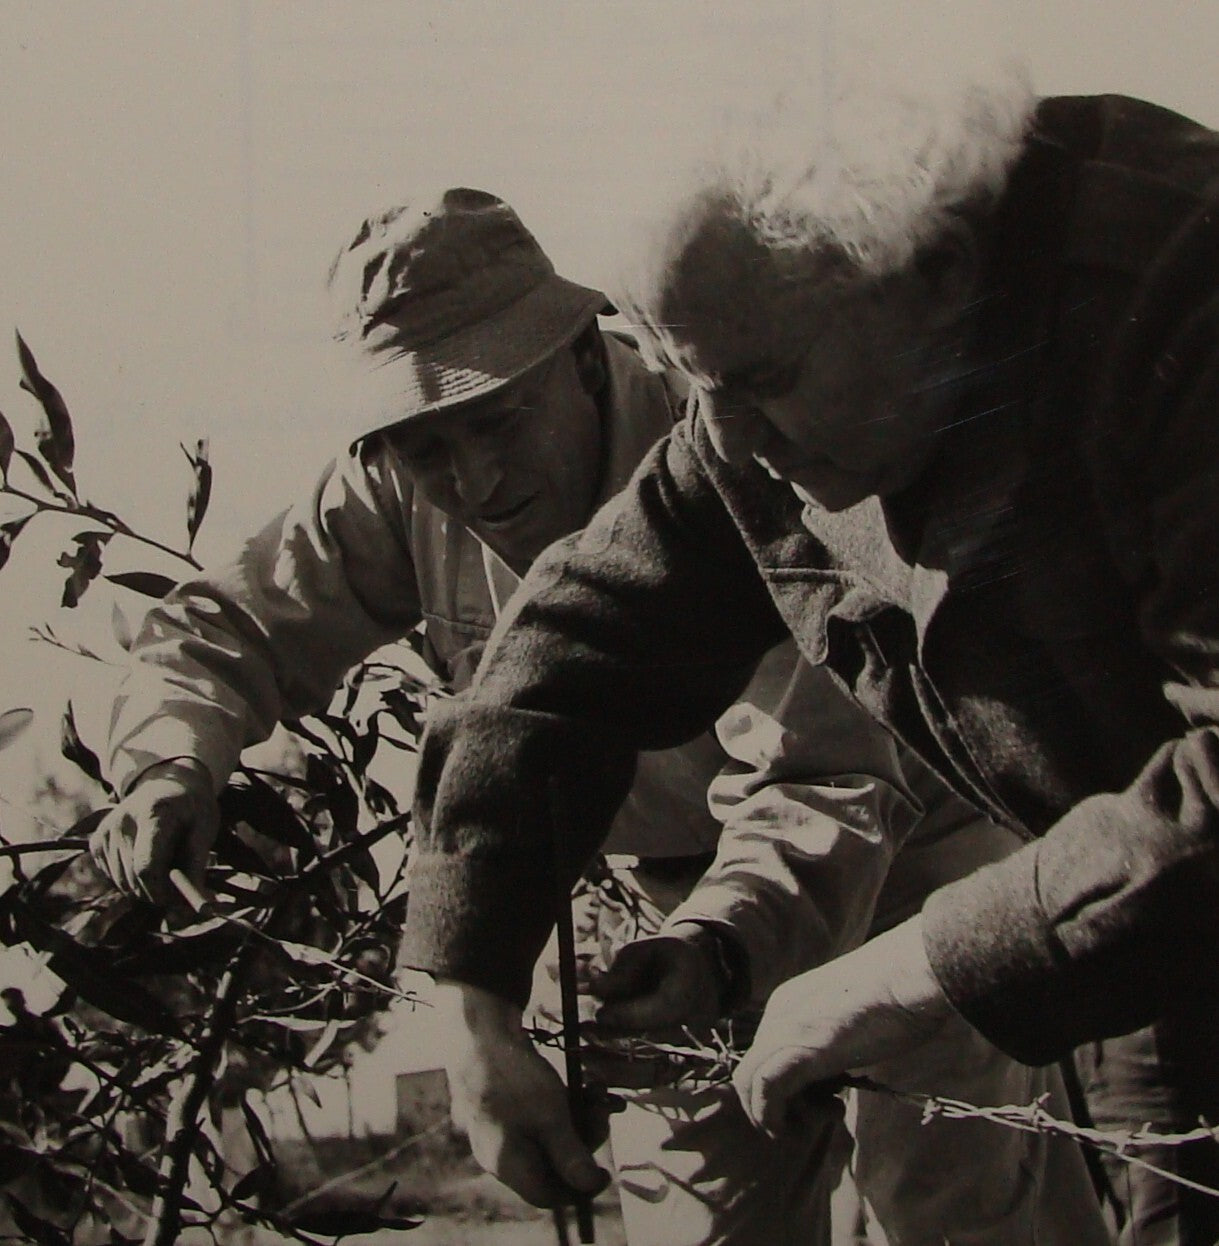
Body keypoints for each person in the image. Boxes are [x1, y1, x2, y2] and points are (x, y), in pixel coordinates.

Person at [88, 187, 1106, 1245]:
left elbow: (827, 770)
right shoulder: (392, 485)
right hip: (659, 920)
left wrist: (719, 946)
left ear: (582, 354)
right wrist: (170, 759)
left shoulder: (737, 432)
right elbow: (227, 624)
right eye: (426, 445)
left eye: (497, 420)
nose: (472, 479)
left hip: (903, 851)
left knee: (948, 1202)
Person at [392, 78, 1219, 1245]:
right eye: (693, 384)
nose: (726, 439)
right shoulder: (766, 376)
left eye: (763, 382)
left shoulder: (1182, 295)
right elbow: (573, 646)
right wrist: (472, 1001)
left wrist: (906, 970)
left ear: (935, 271)